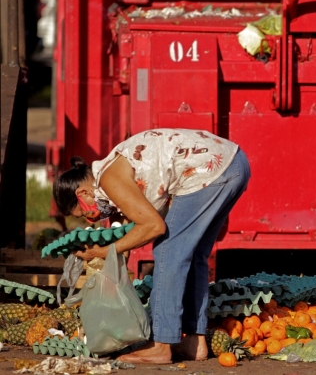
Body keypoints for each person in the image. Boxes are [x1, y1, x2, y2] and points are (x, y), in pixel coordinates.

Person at [53, 128, 251, 364]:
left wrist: (104, 251)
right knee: (194, 254)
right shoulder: (113, 172)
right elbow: (130, 231)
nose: (91, 219)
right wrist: (112, 260)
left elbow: (154, 227)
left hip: (208, 171)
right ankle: (194, 342)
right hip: (234, 163)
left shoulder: (109, 178)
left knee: (167, 249)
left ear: (83, 192)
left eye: (83, 213)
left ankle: (161, 343)